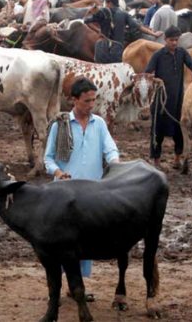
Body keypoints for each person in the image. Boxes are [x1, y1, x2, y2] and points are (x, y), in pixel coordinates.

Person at [44, 77, 119, 287]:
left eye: (93, 100)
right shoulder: (61, 125)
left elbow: (110, 148)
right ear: (73, 100)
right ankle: (60, 285)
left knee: (85, 240)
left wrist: (115, 163)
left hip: (90, 193)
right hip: (64, 194)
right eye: (87, 101)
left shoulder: (99, 123)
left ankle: (76, 286)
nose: (91, 105)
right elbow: (48, 157)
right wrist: (58, 172)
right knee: (62, 241)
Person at [146, 27, 192, 169]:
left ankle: (177, 158)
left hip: (178, 99)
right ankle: (156, 161)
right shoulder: (158, 55)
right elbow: (148, 72)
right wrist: (153, 78)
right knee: (157, 130)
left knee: (179, 129)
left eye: (176, 40)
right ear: (165, 40)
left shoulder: (182, 52)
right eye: (171, 40)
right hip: (161, 100)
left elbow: (191, 63)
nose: (174, 43)